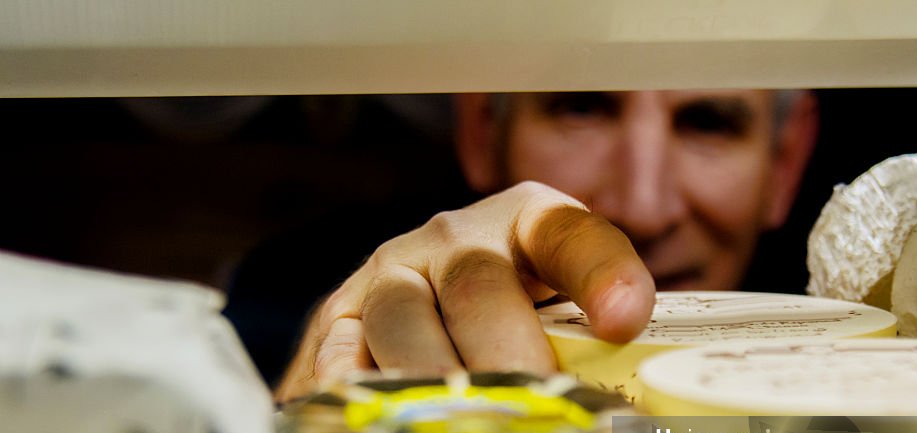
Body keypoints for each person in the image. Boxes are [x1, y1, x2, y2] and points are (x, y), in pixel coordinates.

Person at [233, 90, 819, 401]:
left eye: (708, 122)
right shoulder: (282, 296)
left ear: (786, 160)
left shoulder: (868, 326)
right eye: (582, 107)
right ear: (483, 128)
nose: (644, 210)